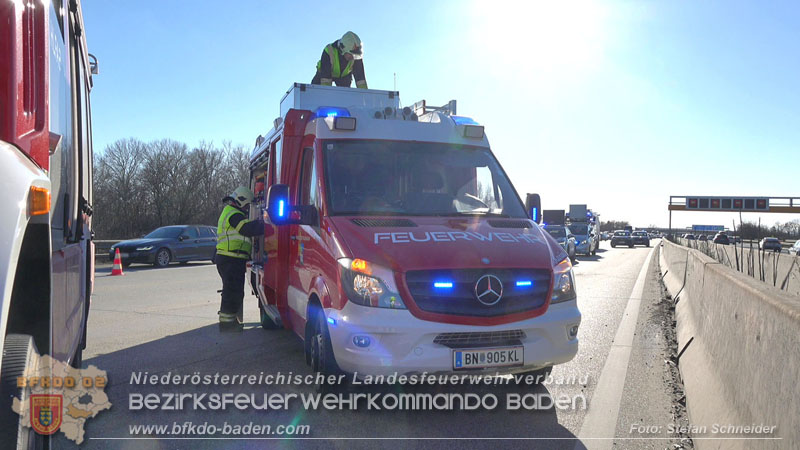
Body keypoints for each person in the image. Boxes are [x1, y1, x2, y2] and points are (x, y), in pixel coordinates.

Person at [216, 187, 264, 330]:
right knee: (232, 292)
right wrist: (266, 223)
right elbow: (247, 229)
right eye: (247, 204)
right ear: (241, 200)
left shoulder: (231, 212)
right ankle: (226, 324)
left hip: (231, 258)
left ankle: (229, 322)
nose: (248, 208)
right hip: (230, 258)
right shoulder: (234, 214)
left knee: (233, 291)